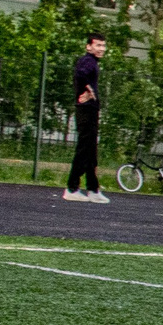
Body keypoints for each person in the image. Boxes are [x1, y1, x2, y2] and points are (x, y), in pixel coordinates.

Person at [63, 33, 109, 203]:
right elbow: (80, 75)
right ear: (88, 46)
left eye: (103, 46)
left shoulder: (92, 62)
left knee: (90, 151)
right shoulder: (88, 61)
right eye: (98, 45)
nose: (101, 49)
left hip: (90, 110)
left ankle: (93, 189)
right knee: (85, 149)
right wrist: (89, 92)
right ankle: (72, 188)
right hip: (86, 110)